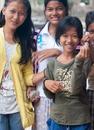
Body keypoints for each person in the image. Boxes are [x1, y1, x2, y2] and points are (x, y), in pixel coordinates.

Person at [43, 16, 91, 130]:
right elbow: (50, 95)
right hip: (58, 119)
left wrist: (78, 61)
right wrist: (46, 83)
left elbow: (75, 89)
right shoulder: (52, 64)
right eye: (65, 36)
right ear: (59, 37)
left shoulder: (83, 59)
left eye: (74, 36)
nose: (69, 40)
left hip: (80, 120)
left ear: (80, 38)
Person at [0, 0, 42, 129]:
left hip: (17, 107)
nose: (16, 17)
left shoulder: (24, 43)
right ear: (3, 10)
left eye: (22, 13)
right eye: (13, 11)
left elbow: (27, 76)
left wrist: (46, 73)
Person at [31, 0, 68, 130]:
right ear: (45, 11)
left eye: (59, 9)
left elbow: (78, 62)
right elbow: (31, 65)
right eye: (50, 9)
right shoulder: (37, 35)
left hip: (66, 96)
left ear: (66, 9)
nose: (54, 13)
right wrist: (31, 89)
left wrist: (58, 52)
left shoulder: (72, 34)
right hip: (42, 95)